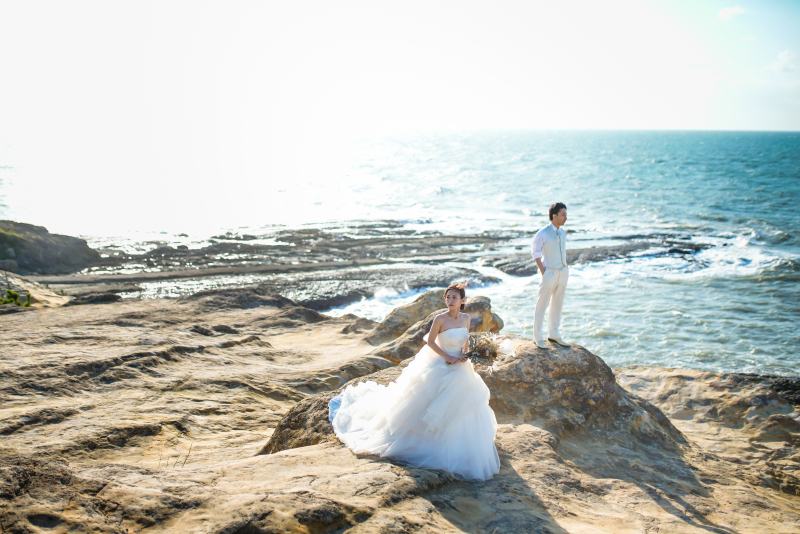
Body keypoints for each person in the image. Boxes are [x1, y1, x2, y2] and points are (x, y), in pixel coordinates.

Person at [328, 283, 501, 482]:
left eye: (454, 297)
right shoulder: (440, 318)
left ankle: (462, 446)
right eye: (448, 297)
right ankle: (426, 442)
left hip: (460, 364)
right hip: (441, 361)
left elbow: (465, 340)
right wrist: (448, 357)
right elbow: (430, 342)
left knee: (466, 396)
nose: (450, 301)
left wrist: (464, 354)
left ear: (462, 301)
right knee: (427, 398)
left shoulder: (466, 318)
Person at [531, 202, 570, 349]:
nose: (565, 217)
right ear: (554, 216)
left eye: (566, 215)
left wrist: (565, 271)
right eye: (563, 215)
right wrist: (543, 270)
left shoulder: (563, 232)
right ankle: (538, 337)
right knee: (542, 304)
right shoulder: (542, 233)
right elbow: (535, 252)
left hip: (562, 273)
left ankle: (554, 334)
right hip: (549, 272)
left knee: (557, 304)